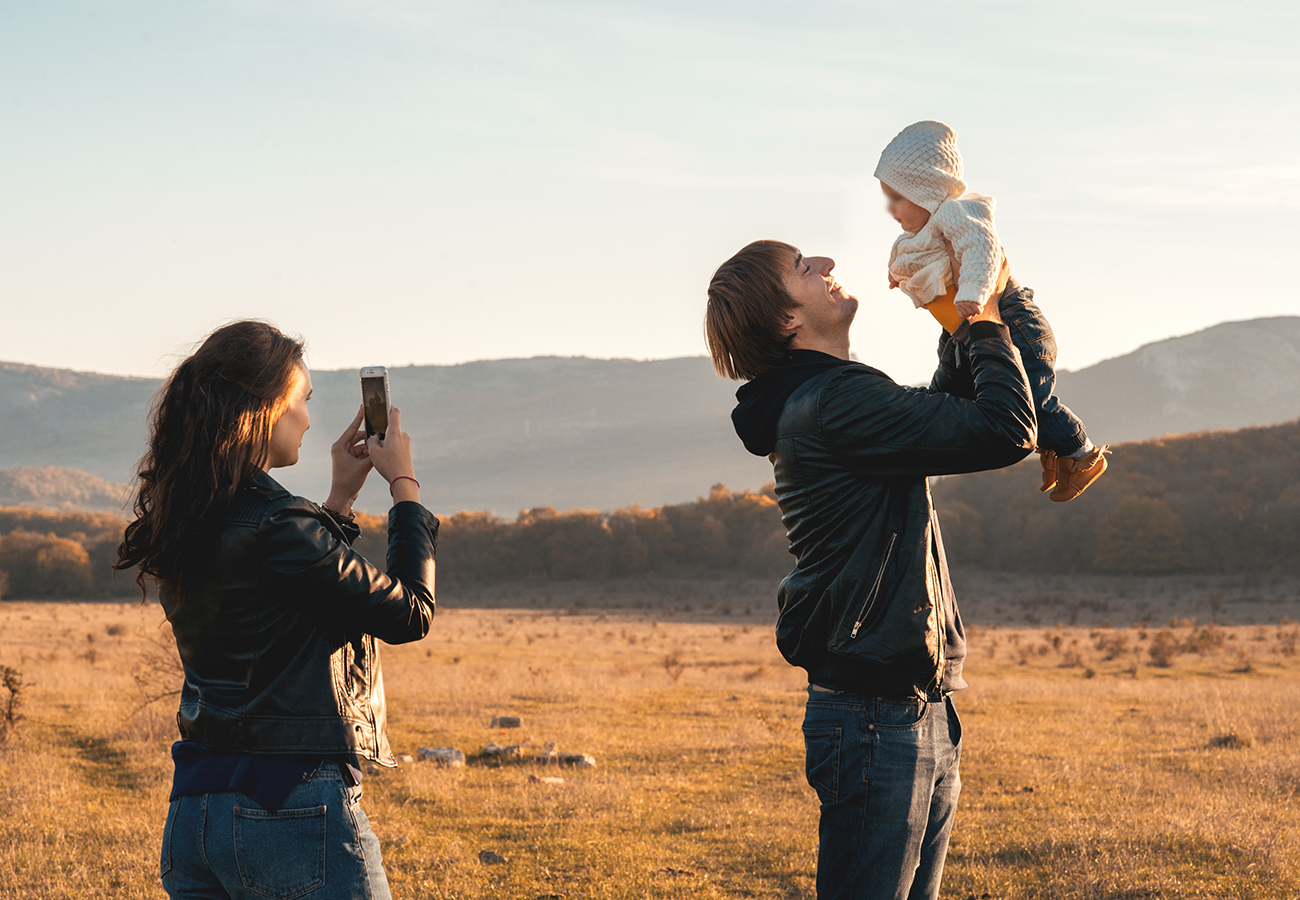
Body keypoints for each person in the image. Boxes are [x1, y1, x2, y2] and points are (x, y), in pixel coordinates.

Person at [705, 241, 1036, 900]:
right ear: (785, 323)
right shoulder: (831, 402)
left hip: (911, 706)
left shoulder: (830, 399)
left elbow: (946, 422)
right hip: (874, 714)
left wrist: (957, 320)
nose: (825, 265)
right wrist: (986, 317)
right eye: (803, 268)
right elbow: (1004, 429)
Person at [116, 320, 437, 900]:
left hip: (195, 814)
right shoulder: (281, 525)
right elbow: (410, 612)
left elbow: (284, 597)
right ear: (264, 408)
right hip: (290, 803)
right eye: (303, 400)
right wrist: (405, 487)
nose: (309, 420)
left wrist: (337, 502)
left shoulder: (188, 518)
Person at [875, 119, 1107, 501]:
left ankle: (1079, 454)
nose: (890, 209)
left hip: (1011, 322)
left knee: (1031, 398)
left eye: (897, 198)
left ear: (926, 191)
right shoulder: (923, 232)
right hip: (964, 334)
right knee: (954, 400)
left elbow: (983, 253)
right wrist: (897, 274)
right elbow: (910, 256)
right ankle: (1053, 448)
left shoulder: (958, 214)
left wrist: (975, 293)